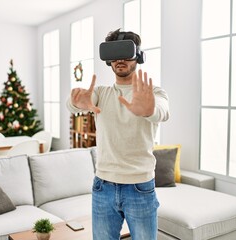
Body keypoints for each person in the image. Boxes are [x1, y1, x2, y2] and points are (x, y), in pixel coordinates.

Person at [66, 29, 170, 240]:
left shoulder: (153, 93)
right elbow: (74, 104)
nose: (119, 59)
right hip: (103, 185)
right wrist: (77, 102)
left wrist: (148, 110)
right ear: (108, 60)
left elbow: (162, 111)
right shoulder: (101, 93)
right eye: (114, 53)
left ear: (138, 56)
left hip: (140, 187)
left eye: (126, 51)